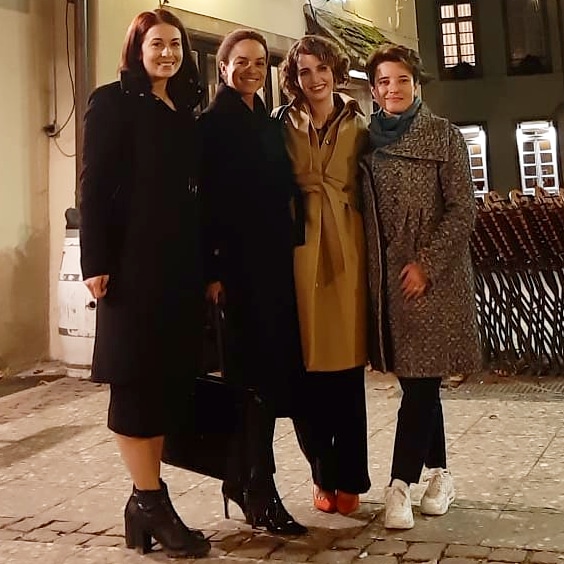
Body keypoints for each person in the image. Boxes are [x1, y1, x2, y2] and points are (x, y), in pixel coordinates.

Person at [79, 9, 210, 558]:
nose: (167, 53)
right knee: (134, 383)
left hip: (178, 270)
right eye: (157, 44)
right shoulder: (112, 101)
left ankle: (143, 501)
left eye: (175, 44)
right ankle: (151, 501)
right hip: (130, 268)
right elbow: (94, 185)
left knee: (162, 384)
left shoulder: (184, 108)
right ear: (137, 48)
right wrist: (94, 261)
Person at [359, 44, 482, 529]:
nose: (393, 89)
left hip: (433, 281)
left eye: (402, 80)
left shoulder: (443, 135)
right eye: (384, 81)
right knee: (419, 381)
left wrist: (426, 265)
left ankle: (399, 485)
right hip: (388, 279)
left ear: (416, 85)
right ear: (374, 90)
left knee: (420, 385)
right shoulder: (366, 142)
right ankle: (441, 474)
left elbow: (463, 209)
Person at [198, 29, 307, 536]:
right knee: (250, 385)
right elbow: (202, 205)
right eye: (240, 61)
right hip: (237, 272)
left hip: (274, 268)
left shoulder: (266, 121)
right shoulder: (211, 125)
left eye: (259, 62)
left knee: (267, 382)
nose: (251, 69)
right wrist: (212, 272)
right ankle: (256, 487)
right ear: (223, 66)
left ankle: (243, 481)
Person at [278, 35, 371, 516]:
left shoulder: (360, 122)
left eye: (322, 69)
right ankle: (321, 473)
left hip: (348, 248)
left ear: (336, 70)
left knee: (347, 372)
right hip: (296, 248)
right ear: (294, 79)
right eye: (304, 71)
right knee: (305, 373)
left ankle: (351, 476)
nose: (314, 79)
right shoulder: (281, 123)